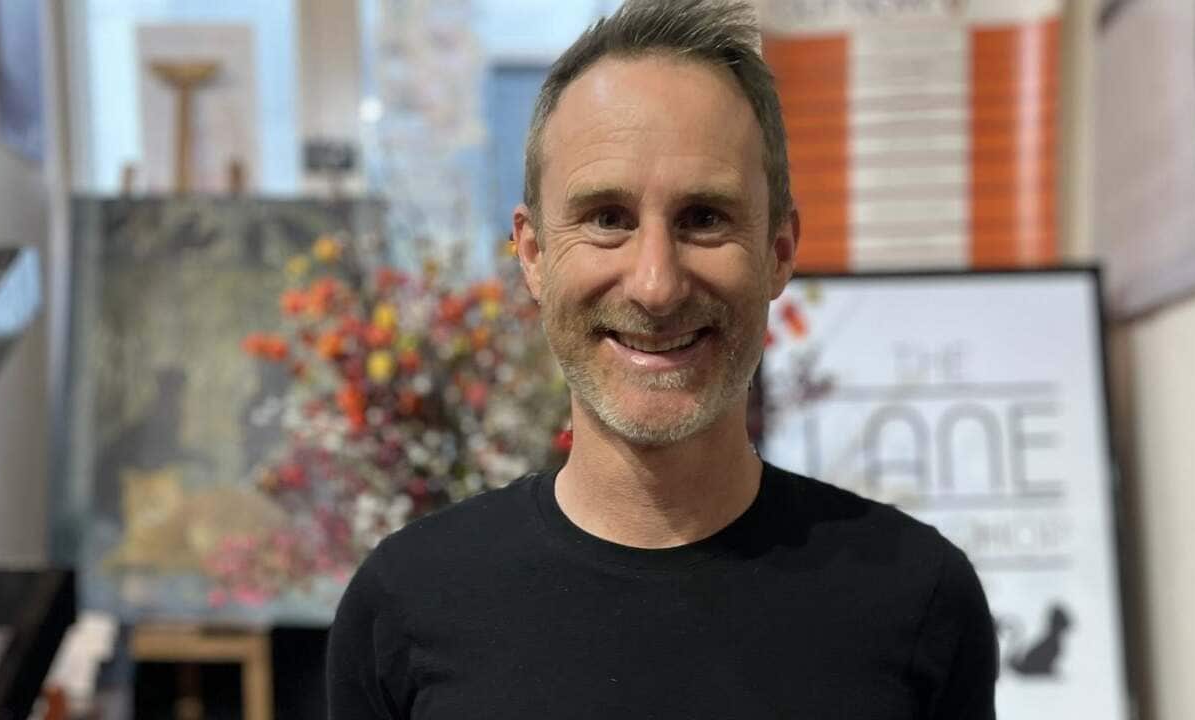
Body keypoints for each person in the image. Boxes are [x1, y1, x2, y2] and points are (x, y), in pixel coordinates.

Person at [327, 1, 998, 717]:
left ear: (778, 252)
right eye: (607, 219)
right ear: (533, 254)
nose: (656, 285)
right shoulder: (405, 607)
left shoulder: (917, 599)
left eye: (704, 219)